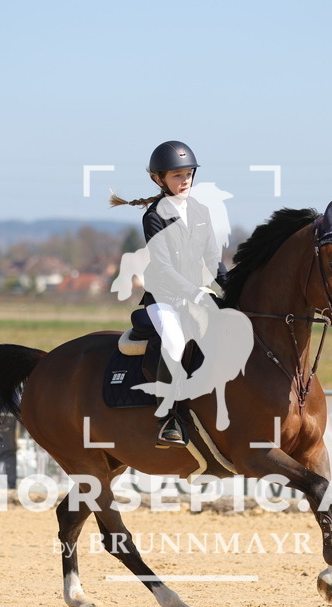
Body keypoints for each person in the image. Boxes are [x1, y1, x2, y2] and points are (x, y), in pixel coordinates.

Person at [110, 141, 228, 448]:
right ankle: (168, 418)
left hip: (196, 295)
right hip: (163, 299)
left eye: (188, 173)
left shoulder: (201, 211)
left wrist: (231, 291)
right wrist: (196, 294)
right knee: (175, 341)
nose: (185, 179)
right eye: (177, 175)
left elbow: (214, 261)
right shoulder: (154, 217)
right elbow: (162, 268)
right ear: (159, 179)